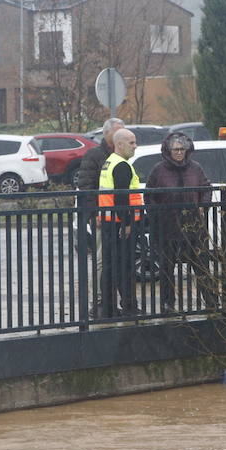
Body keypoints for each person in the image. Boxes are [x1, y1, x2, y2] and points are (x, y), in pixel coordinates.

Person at [145, 132, 219, 314]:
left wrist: (203, 206)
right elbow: (149, 195)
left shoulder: (196, 168)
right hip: (168, 226)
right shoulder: (159, 169)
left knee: (201, 266)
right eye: (175, 149)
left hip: (194, 226)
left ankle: (211, 302)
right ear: (168, 151)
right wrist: (157, 214)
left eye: (182, 149)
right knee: (167, 268)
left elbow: (206, 188)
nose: (179, 153)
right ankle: (167, 304)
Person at [96, 128, 142, 317]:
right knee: (125, 268)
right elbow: (122, 198)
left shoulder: (110, 162)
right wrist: (128, 223)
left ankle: (108, 307)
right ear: (120, 144)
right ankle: (129, 307)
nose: (135, 146)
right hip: (119, 224)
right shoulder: (121, 165)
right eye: (131, 143)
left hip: (110, 223)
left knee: (110, 267)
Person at [78, 118, 122, 314]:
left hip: (119, 216)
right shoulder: (95, 155)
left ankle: (114, 301)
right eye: (117, 132)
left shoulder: (121, 155)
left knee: (118, 260)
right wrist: (94, 213)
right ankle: (97, 302)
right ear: (107, 134)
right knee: (101, 260)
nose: (121, 136)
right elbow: (86, 187)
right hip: (101, 216)